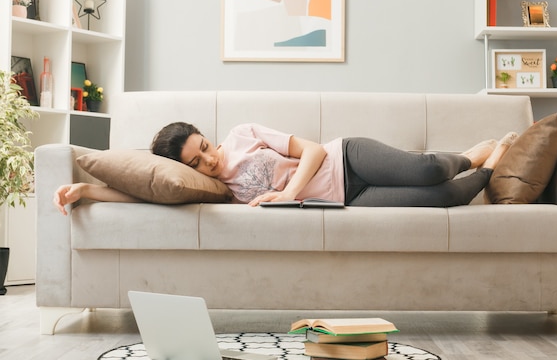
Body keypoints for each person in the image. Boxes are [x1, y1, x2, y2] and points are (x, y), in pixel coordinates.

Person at [54, 122, 517, 215]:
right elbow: (146, 195)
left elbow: (313, 150)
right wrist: (87, 192)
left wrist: (286, 192)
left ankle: (472, 155)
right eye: (197, 162)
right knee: (447, 199)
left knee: (431, 172)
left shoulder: (241, 134)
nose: (210, 161)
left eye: (205, 147)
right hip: (347, 198)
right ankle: (491, 166)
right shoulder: (214, 190)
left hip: (346, 156)